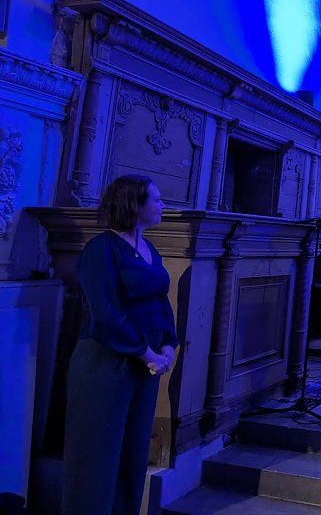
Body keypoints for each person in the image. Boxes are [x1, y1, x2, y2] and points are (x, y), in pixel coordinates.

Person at [62, 175, 177, 515]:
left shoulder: (149, 248)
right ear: (134, 205)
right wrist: (148, 353)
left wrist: (169, 345)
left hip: (146, 366)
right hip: (106, 364)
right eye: (155, 200)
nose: (162, 205)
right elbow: (106, 313)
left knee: (132, 457)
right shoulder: (101, 248)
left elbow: (160, 300)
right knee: (96, 457)